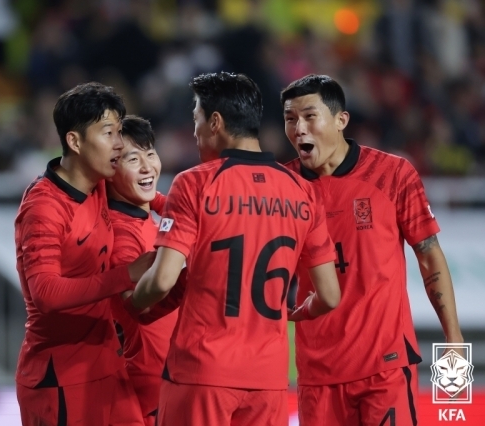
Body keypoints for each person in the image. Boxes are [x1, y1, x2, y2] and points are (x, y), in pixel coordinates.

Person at [127, 72, 341, 426]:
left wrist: (130, 305)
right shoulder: (302, 191)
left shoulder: (196, 182)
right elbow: (330, 296)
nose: (194, 132)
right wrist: (294, 312)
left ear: (215, 122)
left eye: (196, 119)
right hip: (268, 378)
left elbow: (163, 279)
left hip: (202, 371)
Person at [281, 74, 464, 426]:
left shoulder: (393, 175)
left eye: (308, 116)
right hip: (317, 373)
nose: (299, 129)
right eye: (290, 119)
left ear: (341, 120)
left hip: (386, 365)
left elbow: (428, 256)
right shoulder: (283, 187)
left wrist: (453, 339)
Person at [14, 82, 152, 426]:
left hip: (107, 363)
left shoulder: (101, 182)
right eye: (108, 133)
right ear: (74, 141)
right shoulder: (43, 206)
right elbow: (44, 293)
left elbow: (151, 195)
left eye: (120, 131)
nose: (119, 144)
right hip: (59, 376)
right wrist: (126, 275)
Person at [106, 115, 180, 426]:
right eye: (133, 159)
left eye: (150, 153)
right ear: (109, 170)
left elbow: (170, 204)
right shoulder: (121, 234)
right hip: (150, 389)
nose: (148, 166)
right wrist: (187, 284)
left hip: (167, 379)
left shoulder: (142, 215)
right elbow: (134, 302)